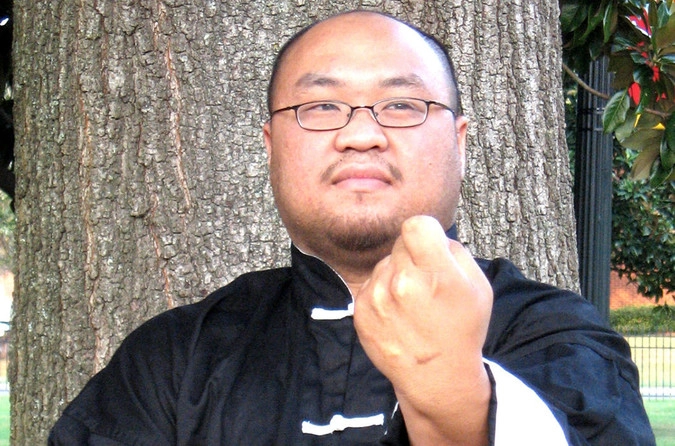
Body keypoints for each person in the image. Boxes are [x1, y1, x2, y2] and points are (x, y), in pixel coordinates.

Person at [49, 10, 655, 445]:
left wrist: (457, 402)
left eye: (402, 105)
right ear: (271, 147)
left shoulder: (557, 337)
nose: (361, 134)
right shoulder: (172, 360)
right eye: (320, 106)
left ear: (460, 143)